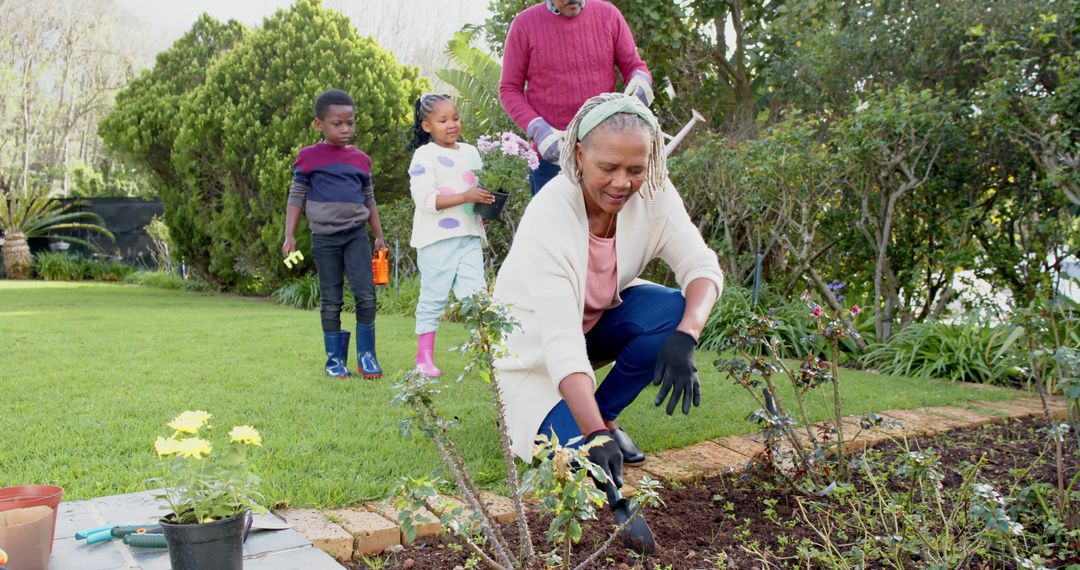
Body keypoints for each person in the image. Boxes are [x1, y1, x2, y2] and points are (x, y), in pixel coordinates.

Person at [493, 92, 722, 496]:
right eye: (608, 167)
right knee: (578, 462)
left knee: (672, 310)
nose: (623, 183)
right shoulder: (551, 214)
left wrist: (687, 336)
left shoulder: (654, 192)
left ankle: (605, 414)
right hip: (534, 352)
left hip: (594, 325)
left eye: (636, 168)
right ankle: (588, 424)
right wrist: (593, 436)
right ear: (579, 155)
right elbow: (561, 344)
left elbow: (701, 267)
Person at [499, 0, 655, 196]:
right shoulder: (524, 25)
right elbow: (509, 88)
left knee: (611, 226)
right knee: (555, 226)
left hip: (607, 153)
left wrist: (640, 80)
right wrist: (538, 129)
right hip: (552, 160)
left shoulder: (609, 15)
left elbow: (634, 66)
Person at [282, 88, 387, 379]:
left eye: (350, 123)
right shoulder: (308, 158)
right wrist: (289, 235)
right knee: (331, 299)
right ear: (319, 124)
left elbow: (369, 198)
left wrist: (378, 235)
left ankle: (367, 356)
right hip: (324, 239)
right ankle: (334, 361)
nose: (345, 129)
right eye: (337, 124)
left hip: (356, 235)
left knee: (366, 296)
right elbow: (296, 197)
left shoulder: (361, 160)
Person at [406, 93, 496, 376]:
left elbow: (480, 189)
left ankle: (485, 357)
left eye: (455, 118)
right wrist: (464, 196)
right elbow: (425, 200)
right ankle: (424, 360)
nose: (451, 124)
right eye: (442, 120)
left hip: (469, 235)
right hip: (436, 240)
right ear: (427, 126)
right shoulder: (424, 155)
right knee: (433, 297)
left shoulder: (470, 152)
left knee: (476, 297)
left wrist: (489, 196)